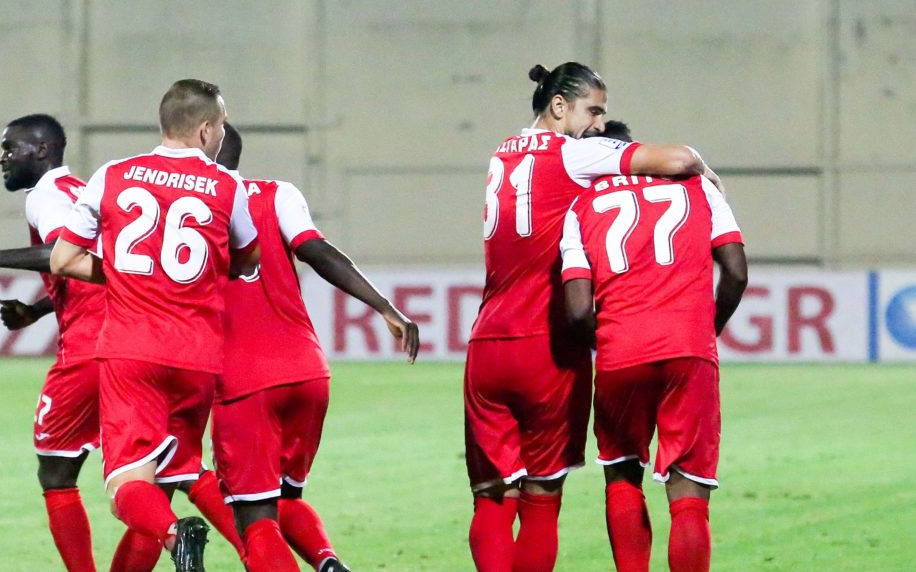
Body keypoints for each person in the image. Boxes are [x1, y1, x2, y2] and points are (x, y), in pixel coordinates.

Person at [464, 62, 723, 571]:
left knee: (491, 498)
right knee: (542, 499)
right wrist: (705, 171)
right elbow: (677, 158)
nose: (599, 123)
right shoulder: (573, 152)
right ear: (559, 105)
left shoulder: (502, 153)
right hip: (548, 344)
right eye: (594, 110)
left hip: (487, 341)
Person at [50, 79, 260, 572]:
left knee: (127, 486)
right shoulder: (227, 186)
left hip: (132, 350)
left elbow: (63, 259)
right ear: (205, 129)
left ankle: (174, 534)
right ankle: (259, 551)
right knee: (175, 471)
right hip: (197, 357)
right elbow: (248, 260)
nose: (221, 134)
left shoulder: (111, 175)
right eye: (221, 126)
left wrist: (130, 275)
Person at [207, 125, 419, 571]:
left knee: (255, 520)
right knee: (287, 497)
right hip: (307, 371)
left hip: (243, 379)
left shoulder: (186, 206)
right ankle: (326, 562)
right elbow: (317, 251)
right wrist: (384, 306)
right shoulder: (277, 193)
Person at [559, 123, 747, 572]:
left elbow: (578, 310)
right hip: (689, 347)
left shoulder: (579, 206)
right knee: (689, 492)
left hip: (621, 351)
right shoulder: (698, 187)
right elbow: (737, 272)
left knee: (622, 476)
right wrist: (708, 328)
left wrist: (608, 342)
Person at [0, 114, 104, 572]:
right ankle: (224, 543)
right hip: (132, 340)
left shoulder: (46, 195)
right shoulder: (79, 190)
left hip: (90, 348)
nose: (2, 158)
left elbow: (65, 255)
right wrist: (38, 310)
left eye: (10, 148)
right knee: (165, 469)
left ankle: (170, 537)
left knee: (56, 472)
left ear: (42, 150)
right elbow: (95, 268)